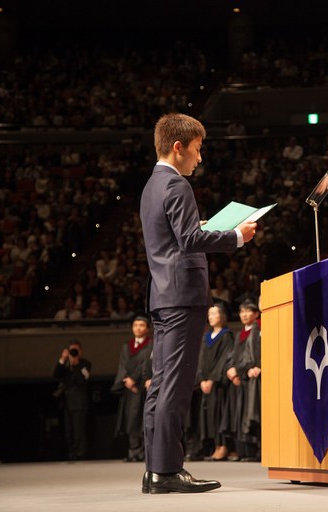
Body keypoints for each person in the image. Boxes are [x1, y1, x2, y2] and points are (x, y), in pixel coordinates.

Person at [139, 113, 256, 494]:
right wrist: (235, 237)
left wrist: (203, 228)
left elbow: (175, 237)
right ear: (179, 147)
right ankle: (167, 471)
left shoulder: (152, 185)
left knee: (162, 384)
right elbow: (189, 240)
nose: (200, 157)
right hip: (181, 296)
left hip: (163, 295)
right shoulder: (177, 184)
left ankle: (155, 469)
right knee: (175, 385)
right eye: (197, 148)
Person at [223, 300, 261, 462]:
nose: (244, 315)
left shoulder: (258, 330)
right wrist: (231, 370)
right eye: (241, 312)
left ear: (256, 314)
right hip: (240, 380)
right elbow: (233, 356)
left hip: (251, 379)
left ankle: (256, 451)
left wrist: (241, 370)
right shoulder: (239, 334)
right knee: (240, 416)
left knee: (252, 414)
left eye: (248, 311)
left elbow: (252, 356)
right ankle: (243, 451)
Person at [111, 316, 153, 463]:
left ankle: (144, 453)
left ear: (147, 328)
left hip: (143, 388)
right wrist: (126, 381)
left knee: (142, 419)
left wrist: (135, 381)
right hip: (129, 389)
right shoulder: (126, 347)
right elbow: (122, 366)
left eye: (142, 325)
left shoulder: (151, 345)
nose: (138, 328)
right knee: (130, 420)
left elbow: (145, 366)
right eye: (135, 325)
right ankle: (133, 451)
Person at [197, 304, 234, 461]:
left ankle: (223, 446)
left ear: (222, 316)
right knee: (209, 415)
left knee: (220, 414)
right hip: (206, 383)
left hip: (218, 384)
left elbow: (224, 359)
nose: (210, 317)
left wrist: (212, 379)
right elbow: (200, 360)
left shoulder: (226, 336)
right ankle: (215, 446)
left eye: (214, 313)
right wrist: (201, 379)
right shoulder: (206, 337)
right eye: (209, 314)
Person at [53, 339, 92, 461]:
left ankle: (80, 455)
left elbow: (80, 380)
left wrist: (75, 365)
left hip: (79, 403)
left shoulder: (85, 364)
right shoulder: (65, 365)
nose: (74, 352)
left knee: (78, 431)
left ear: (81, 351)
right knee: (68, 432)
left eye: (76, 350)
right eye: (72, 350)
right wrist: (63, 359)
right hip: (66, 403)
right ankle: (71, 454)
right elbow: (56, 375)